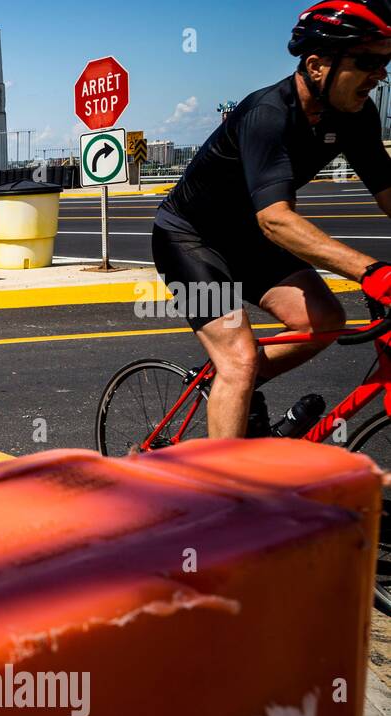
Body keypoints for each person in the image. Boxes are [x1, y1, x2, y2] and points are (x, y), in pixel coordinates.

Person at [152, 0, 391, 438]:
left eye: (385, 63)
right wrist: (372, 272)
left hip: (245, 240)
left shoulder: (356, 115)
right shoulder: (269, 114)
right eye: (368, 62)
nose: (380, 75)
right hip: (188, 239)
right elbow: (276, 220)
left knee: (325, 321)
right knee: (239, 359)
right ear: (317, 65)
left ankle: (234, 394)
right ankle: (226, 497)